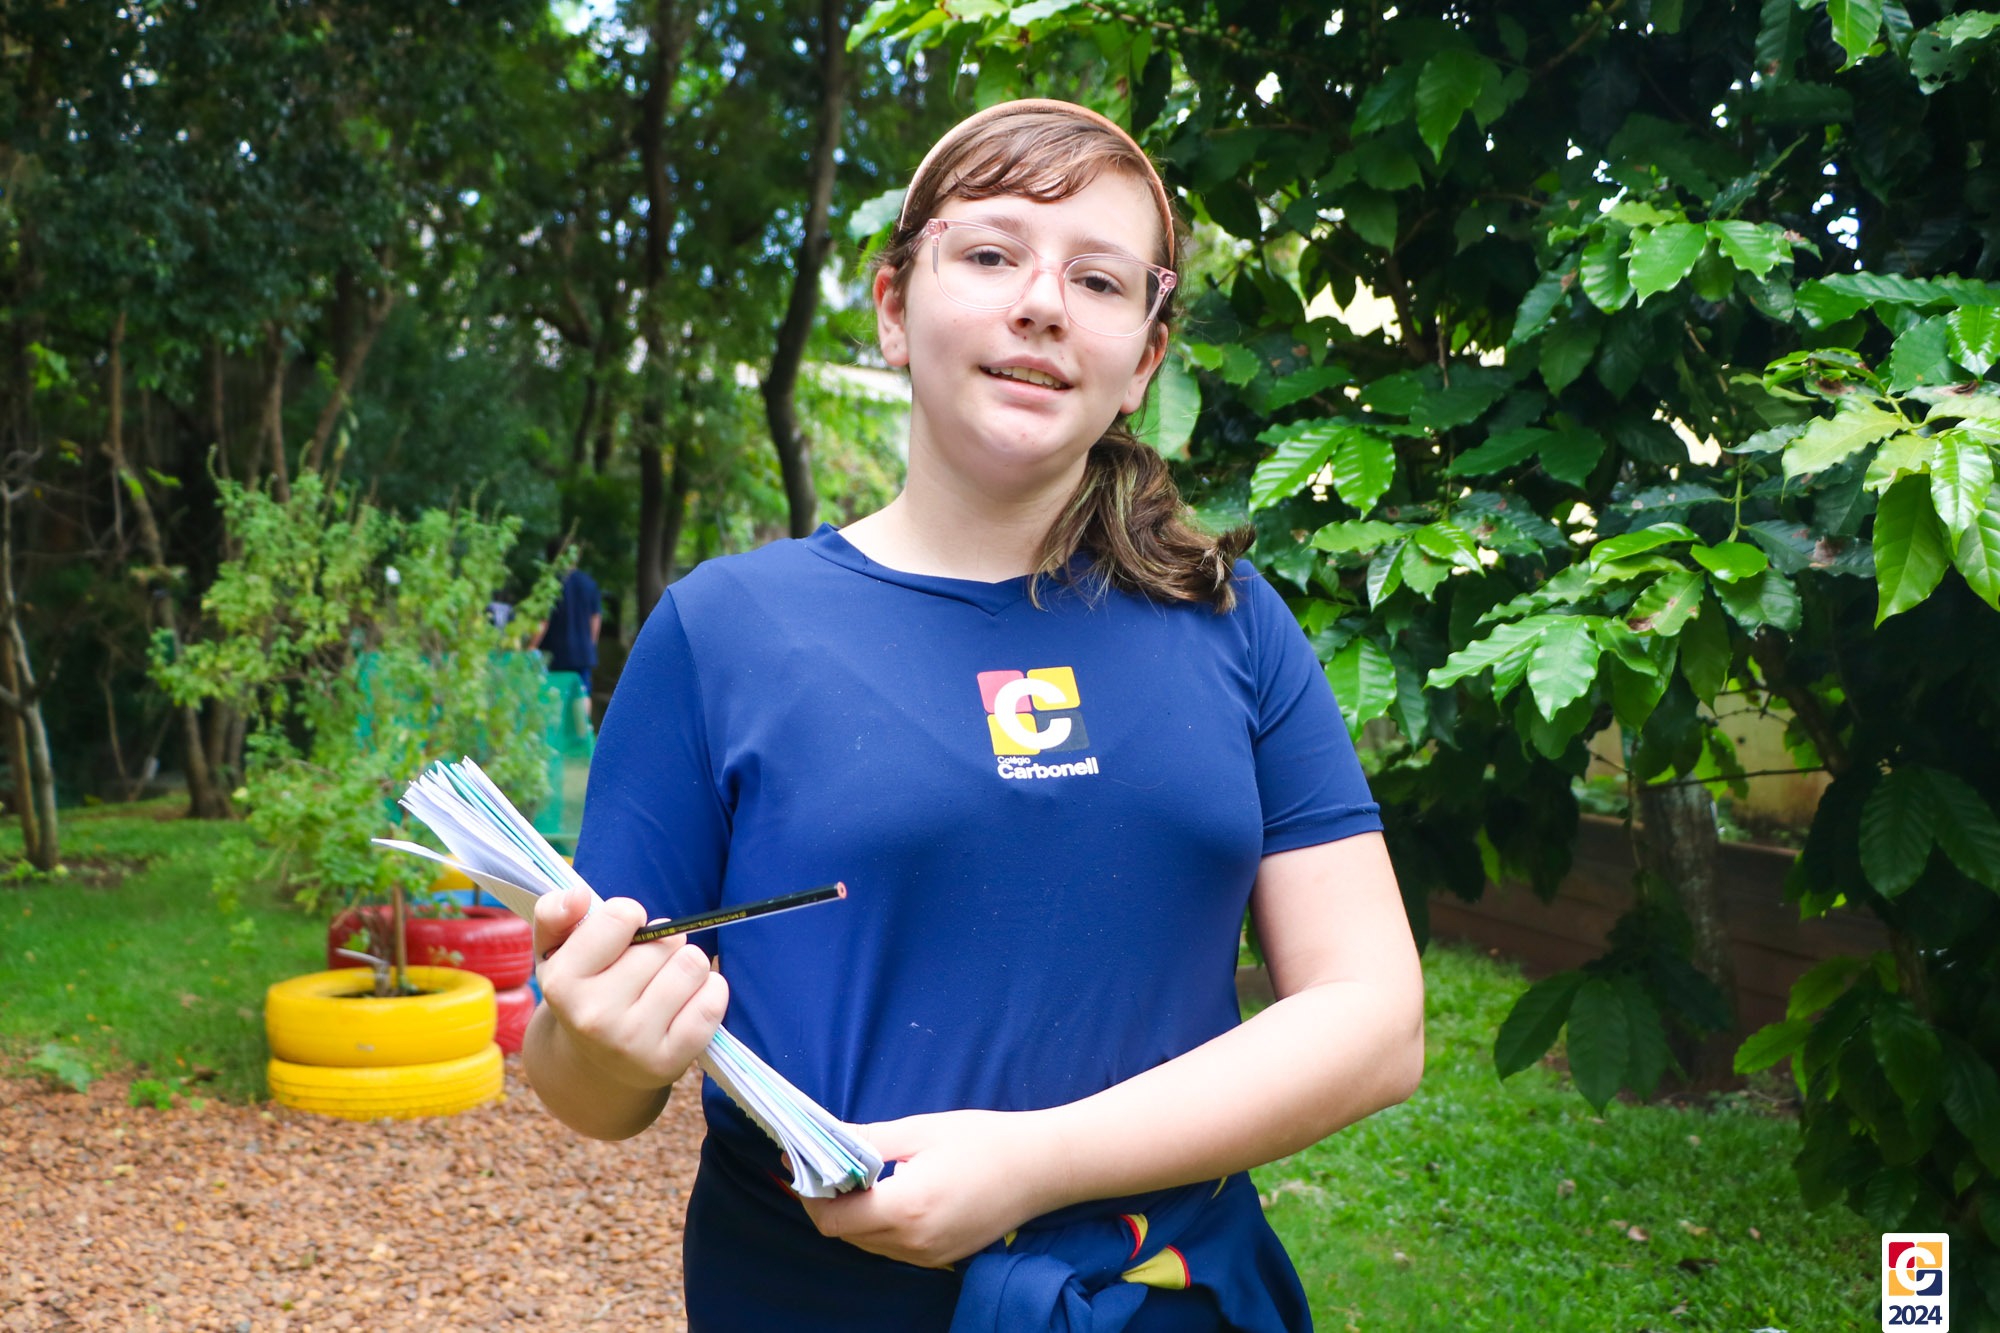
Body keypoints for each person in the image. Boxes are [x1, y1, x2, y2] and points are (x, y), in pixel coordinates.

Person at [524, 99, 1424, 1332]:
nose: (1042, 303)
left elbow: (1374, 1019)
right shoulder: (721, 630)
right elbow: (586, 1089)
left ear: (1143, 359)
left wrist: (1033, 1161)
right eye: (992, 254)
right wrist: (600, 1044)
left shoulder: (1231, 619)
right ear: (893, 308)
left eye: (1098, 280)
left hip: (1167, 1297)